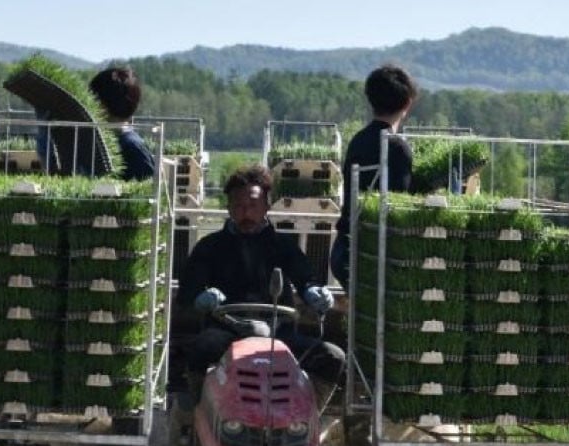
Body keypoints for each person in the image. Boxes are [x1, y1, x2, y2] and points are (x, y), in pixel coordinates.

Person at [177, 165, 344, 403]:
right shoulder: (210, 247)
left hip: (279, 334)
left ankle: (306, 418)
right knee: (200, 348)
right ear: (228, 208)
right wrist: (200, 298)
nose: (246, 212)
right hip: (227, 334)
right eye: (238, 206)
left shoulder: (283, 246)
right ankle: (198, 411)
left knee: (333, 356)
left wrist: (314, 291)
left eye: (253, 205)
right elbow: (187, 293)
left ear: (267, 206)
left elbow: (305, 277)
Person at [330, 64, 418, 288]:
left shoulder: (358, 140)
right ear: (407, 103)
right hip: (372, 252)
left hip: (344, 247)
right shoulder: (397, 147)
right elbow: (399, 207)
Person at [89, 66, 156, 181]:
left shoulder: (132, 146)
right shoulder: (106, 140)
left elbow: (147, 190)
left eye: (92, 99)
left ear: (101, 106)